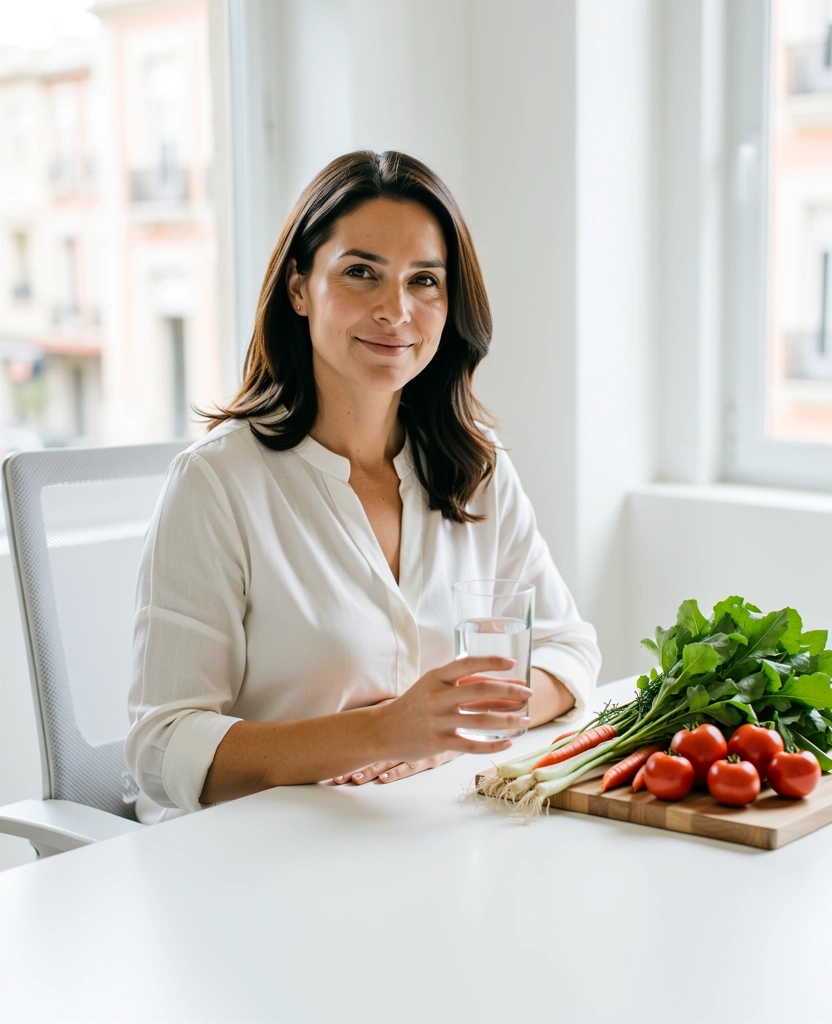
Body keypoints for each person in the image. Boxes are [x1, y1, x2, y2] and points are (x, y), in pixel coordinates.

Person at [126, 150, 601, 824]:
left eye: (424, 280)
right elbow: (161, 746)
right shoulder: (217, 483)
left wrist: (448, 729)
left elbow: (569, 648)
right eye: (360, 273)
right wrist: (385, 733)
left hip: (422, 835)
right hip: (252, 859)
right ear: (299, 288)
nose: (395, 310)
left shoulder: (477, 468)